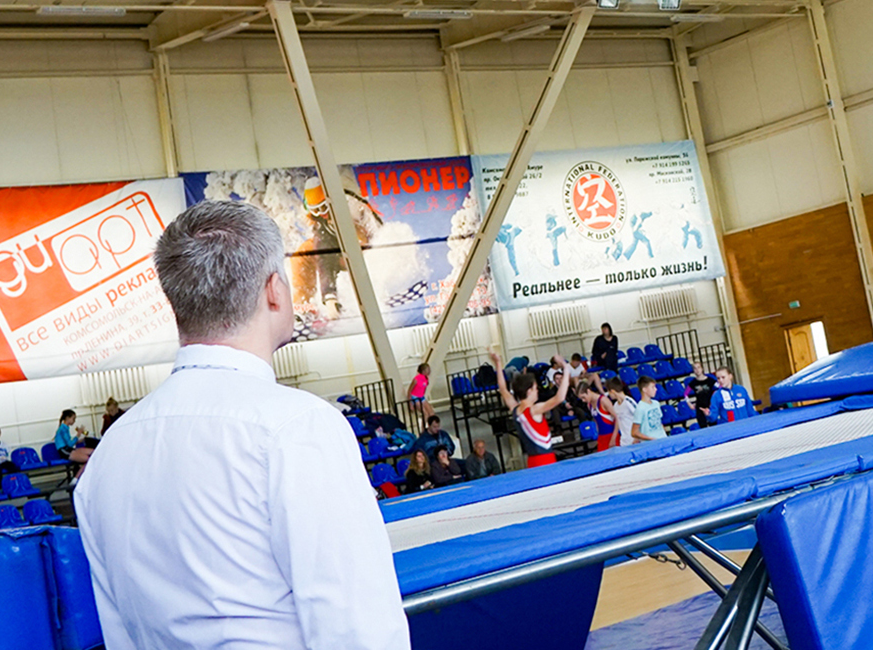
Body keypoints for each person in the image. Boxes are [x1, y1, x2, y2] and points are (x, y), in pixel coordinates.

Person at [75, 200, 408, 650]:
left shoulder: (108, 455)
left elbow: (121, 635)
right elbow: (358, 629)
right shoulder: (297, 429)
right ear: (274, 291)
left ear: (177, 303)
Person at [491, 349, 569, 469]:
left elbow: (503, 389)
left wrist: (498, 363)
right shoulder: (534, 410)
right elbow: (560, 398)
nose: (537, 391)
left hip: (532, 462)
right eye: (535, 388)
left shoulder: (515, 409)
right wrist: (566, 367)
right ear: (529, 391)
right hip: (546, 461)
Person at [627, 377, 664, 446]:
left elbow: (659, 422)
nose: (655, 389)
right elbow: (634, 432)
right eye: (652, 387)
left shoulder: (656, 403)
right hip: (651, 444)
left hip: (662, 439)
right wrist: (650, 438)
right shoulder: (640, 408)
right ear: (644, 389)